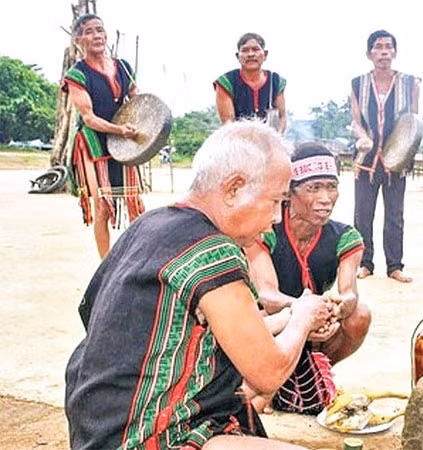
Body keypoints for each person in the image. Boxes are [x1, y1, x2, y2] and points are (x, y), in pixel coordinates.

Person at [64, 121, 331, 449]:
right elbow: (268, 372)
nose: (277, 217)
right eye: (276, 201)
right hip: (144, 438)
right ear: (233, 189)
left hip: (97, 432)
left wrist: (291, 316)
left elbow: (218, 335)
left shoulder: (150, 225)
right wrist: (302, 318)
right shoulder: (212, 250)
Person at [244, 143, 371, 414]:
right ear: (290, 193)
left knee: (359, 314)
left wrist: (337, 308)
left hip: (316, 327)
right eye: (314, 188)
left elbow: (349, 292)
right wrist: (306, 310)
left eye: (331, 187)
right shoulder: (265, 230)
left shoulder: (345, 236)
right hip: (275, 325)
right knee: (259, 314)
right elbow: (267, 295)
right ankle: (268, 380)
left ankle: (314, 373)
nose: (326, 198)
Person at [62, 14, 145, 259]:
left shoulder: (123, 67)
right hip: (94, 143)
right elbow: (89, 118)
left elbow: (137, 101)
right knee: (103, 206)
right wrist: (119, 130)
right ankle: (106, 265)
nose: (96, 36)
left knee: (134, 203)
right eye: (89, 32)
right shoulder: (77, 75)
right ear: (78, 40)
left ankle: (137, 260)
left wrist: (143, 127)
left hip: (123, 140)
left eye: (99, 30)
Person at [350, 29, 420, 283]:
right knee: (362, 215)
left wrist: (407, 151)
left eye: (388, 47)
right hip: (366, 160)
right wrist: (362, 138)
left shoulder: (410, 83)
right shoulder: (358, 84)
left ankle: (394, 266)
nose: (383, 52)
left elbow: (413, 121)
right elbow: (356, 120)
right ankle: (364, 263)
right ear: (369, 54)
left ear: (395, 52)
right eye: (378, 47)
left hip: (396, 160)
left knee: (394, 216)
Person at [214, 32, 287, 132]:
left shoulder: (276, 81)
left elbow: (281, 118)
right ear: (238, 56)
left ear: (265, 55)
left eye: (255, 49)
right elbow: (228, 123)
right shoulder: (226, 82)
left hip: (270, 137)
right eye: (244, 50)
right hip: (237, 137)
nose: (250, 54)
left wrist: (276, 137)